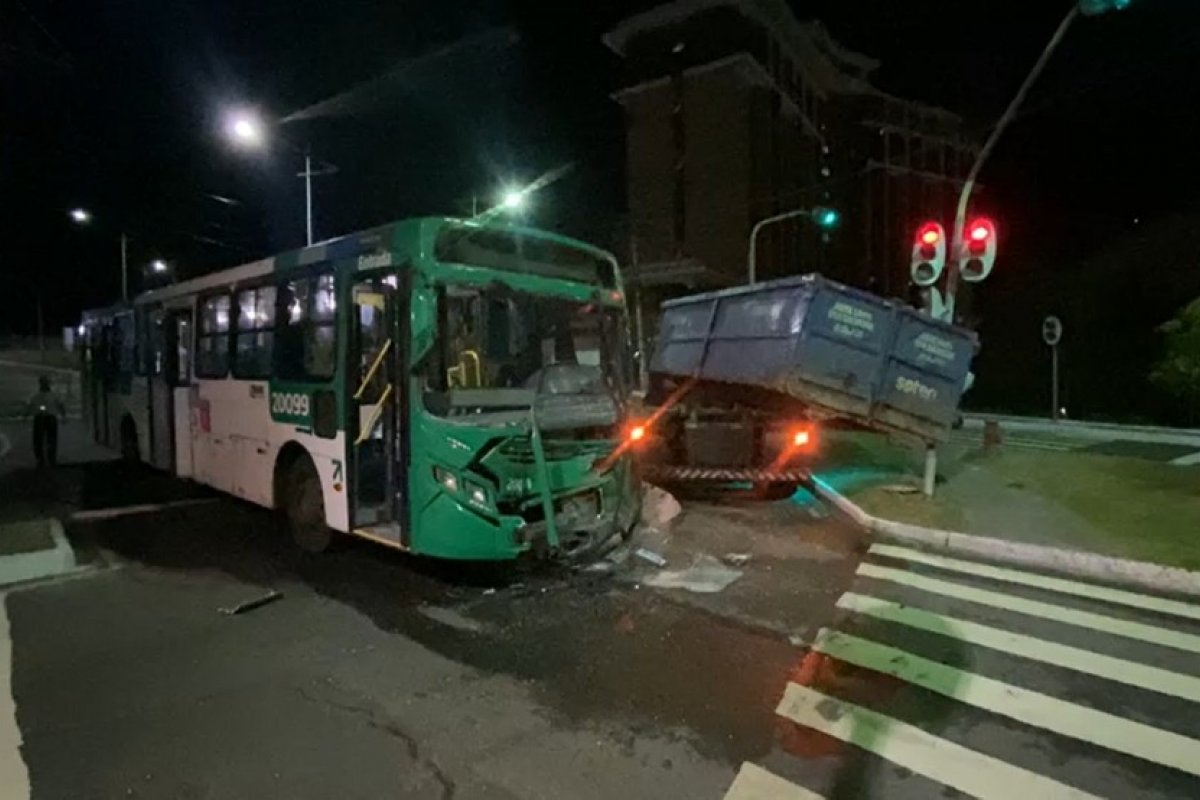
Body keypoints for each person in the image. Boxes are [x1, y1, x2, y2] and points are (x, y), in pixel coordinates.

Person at [27, 376, 66, 467]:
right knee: (41, 440)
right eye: (43, 383)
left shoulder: (48, 395)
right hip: (43, 418)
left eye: (45, 383)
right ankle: (44, 458)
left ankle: (48, 458)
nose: (45, 384)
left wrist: (63, 415)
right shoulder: (39, 395)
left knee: (46, 439)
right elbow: (61, 405)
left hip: (47, 418)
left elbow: (61, 405)